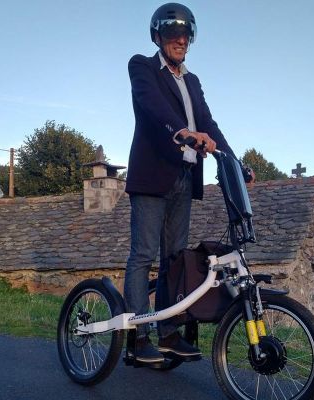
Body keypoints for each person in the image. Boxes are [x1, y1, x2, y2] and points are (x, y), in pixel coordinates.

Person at [123, 3, 252, 363]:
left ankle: (168, 332)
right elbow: (152, 106)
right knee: (143, 254)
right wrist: (180, 130)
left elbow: (209, 123)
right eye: (171, 34)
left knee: (174, 260)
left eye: (184, 35)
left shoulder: (192, 81)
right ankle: (137, 337)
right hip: (152, 175)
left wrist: (237, 164)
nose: (179, 40)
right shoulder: (142, 66)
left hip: (184, 176)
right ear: (157, 36)